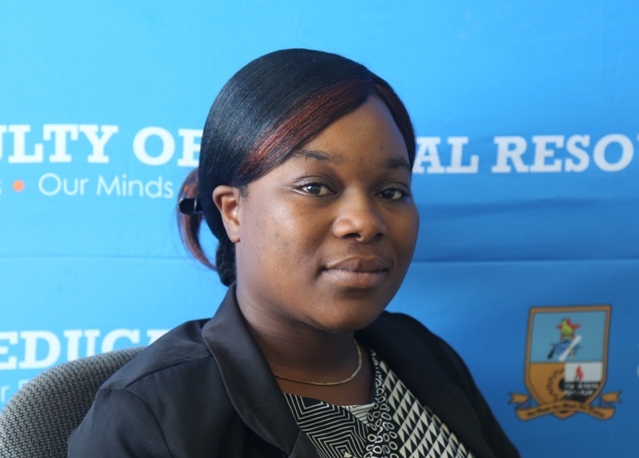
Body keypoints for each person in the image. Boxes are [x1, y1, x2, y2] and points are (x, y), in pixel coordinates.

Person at [68, 49, 519, 458]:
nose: (364, 222)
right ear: (233, 211)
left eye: (391, 191)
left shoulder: (422, 353)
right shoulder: (151, 416)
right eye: (316, 187)